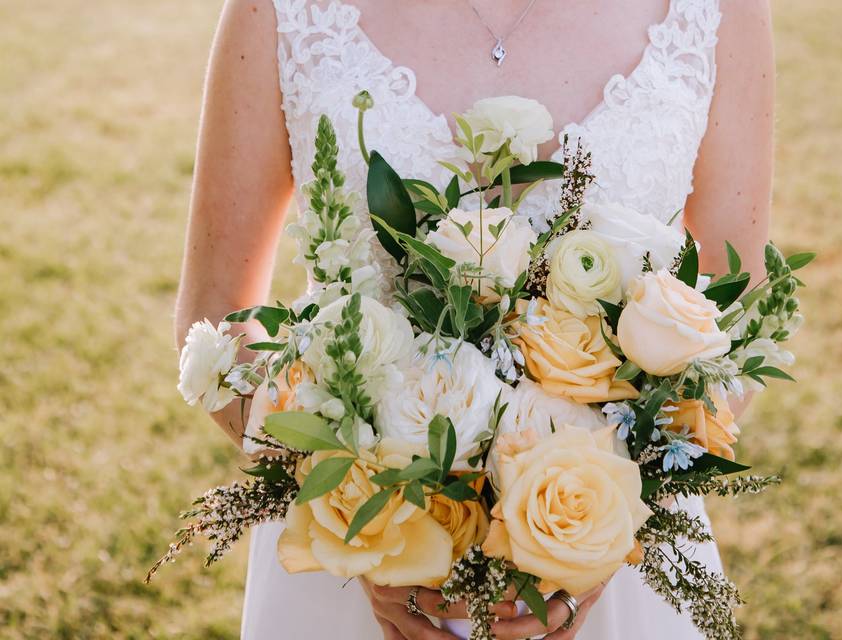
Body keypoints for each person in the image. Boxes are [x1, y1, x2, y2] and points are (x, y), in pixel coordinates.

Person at [174, 1, 774, 637]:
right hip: (354, 572)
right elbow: (218, 319)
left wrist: (599, 528)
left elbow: (741, 317)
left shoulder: (718, 10)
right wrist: (366, 522)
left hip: (612, 571)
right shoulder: (283, 11)